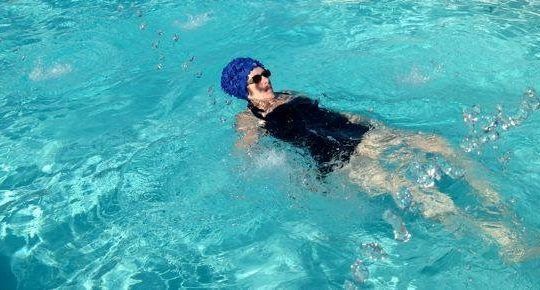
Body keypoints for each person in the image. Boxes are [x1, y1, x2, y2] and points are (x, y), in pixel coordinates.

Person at [220, 57, 533, 262]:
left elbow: (333, 115)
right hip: (339, 160)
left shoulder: (290, 93)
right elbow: (246, 153)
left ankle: (501, 207)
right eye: (255, 79)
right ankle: (505, 241)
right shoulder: (248, 119)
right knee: (416, 191)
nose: (265, 80)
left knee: (440, 144)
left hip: (361, 135)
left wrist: (380, 127)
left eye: (264, 73)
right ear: (242, 89)